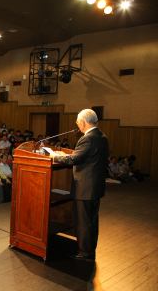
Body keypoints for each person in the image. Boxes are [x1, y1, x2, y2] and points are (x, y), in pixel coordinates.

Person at [49, 109, 109, 261]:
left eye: (77, 121)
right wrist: (68, 156)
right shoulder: (102, 137)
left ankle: (85, 253)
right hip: (94, 187)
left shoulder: (87, 138)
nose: (77, 124)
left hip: (85, 188)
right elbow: (85, 157)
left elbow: (73, 160)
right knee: (91, 221)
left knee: (84, 222)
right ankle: (88, 249)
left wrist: (55, 155)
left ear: (83, 121)